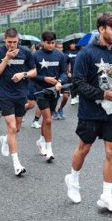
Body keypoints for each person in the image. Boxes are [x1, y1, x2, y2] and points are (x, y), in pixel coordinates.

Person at [65, 12, 112, 212]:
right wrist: (102, 94)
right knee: (84, 148)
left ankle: (106, 195)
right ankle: (72, 181)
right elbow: (78, 84)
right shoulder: (86, 53)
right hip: (90, 111)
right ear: (102, 29)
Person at [0, 28, 37, 176]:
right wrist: (6, 59)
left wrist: (22, 74)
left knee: (16, 129)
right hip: (5, 95)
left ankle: (5, 140)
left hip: (21, 94)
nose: (12, 45)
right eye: (9, 42)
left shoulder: (25, 52)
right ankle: (17, 164)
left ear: (18, 40)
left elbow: (33, 71)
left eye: (15, 42)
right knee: (11, 128)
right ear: (4, 39)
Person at [33, 31, 68, 161]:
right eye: (48, 43)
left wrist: (60, 82)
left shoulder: (60, 55)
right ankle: (49, 150)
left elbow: (64, 72)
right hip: (40, 91)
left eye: (53, 43)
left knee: (46, 121)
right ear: (42, 41)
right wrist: (44, 78)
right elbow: (31, 74)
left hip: (54, 92)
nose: (51, 46)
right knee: (48, 120)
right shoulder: (35, 56)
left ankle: (41, 140)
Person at [52, 41, 69, 120]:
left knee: (66, 96)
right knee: (55, 97)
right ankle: (54, 111)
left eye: (61, 47)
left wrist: (68, 71)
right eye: (58, 48)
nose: (60, 49)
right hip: (54, 79)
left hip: (63, 78)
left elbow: (68, 64)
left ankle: (60, 109)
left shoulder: (65, 56)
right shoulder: (51, 56)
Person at [65, 41, 79, 105]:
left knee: (78, 84)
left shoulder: (79, 52)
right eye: (71, 44)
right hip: (72, 71)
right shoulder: (67, 52)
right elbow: (67, 63)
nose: (73, 45)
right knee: (72, 84)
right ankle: (73, 97)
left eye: (74, 43)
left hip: (79, 70)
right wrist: (68, 71)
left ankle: (77, 96)